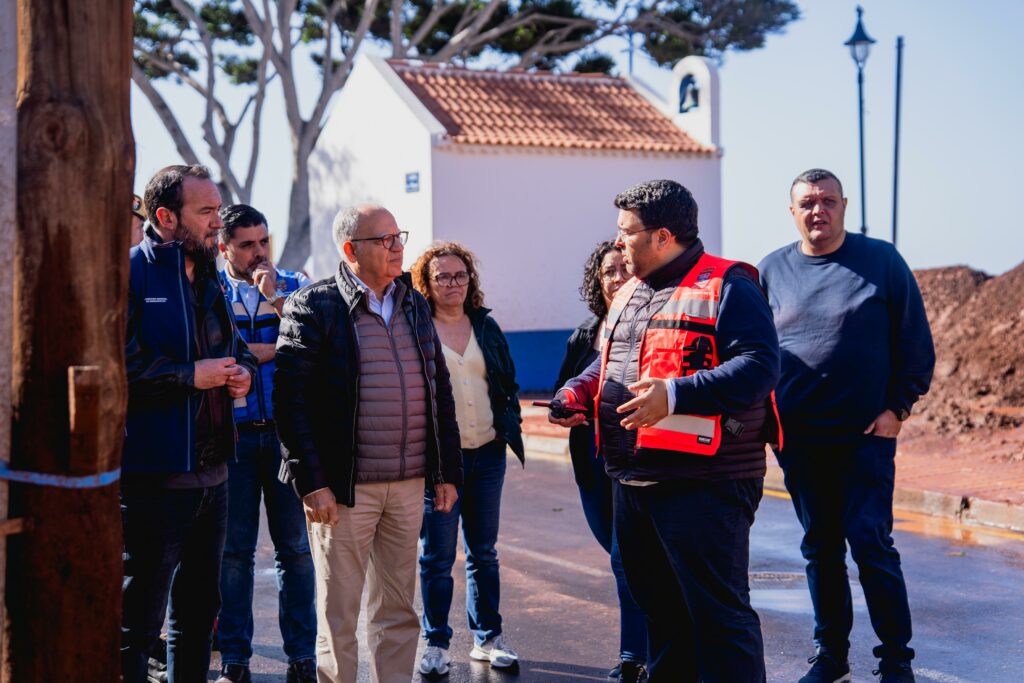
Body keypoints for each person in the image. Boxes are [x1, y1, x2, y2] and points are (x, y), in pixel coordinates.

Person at [549, 179, 780, 683]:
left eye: (626, 232)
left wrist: (673, 396)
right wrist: (576, 391)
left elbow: (760, 366)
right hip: (632, 481)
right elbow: (610, 364)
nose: (618, 243)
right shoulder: (630, 291)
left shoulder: (729, 286)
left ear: (662, 236)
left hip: (706, 485)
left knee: (720, 619)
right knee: (662, 616)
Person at [758, 168, 935, 683]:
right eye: (808, 203)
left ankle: (896, 659)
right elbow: (755, 350)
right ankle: (830, 656)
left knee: (870, 543)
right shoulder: (770, 270)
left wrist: (898, 409)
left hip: (866, 437)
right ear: (792, 212)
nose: (819, 210)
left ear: (844, 205)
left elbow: (915, 342)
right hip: (799, 439)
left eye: (828, 201)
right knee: (820, 547)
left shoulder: (882, 261)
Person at [274, 204, 463, 683]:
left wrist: (445, 470)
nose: (398, 247)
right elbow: (290, 402)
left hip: (407, 484)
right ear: (350, 250)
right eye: (385, 240)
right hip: (342, 490)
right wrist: (311, 482)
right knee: (339, 613)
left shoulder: (414, 302)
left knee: (397, 610)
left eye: (399, 236)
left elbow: (438, 387)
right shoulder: (313, 305)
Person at [123, 164, 257, 682]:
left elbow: (237, 350)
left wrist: (241, 373)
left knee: (199, 616)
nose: (218, 222)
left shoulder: (211, 276)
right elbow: (119, 364)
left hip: (215, 476)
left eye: (217, 210)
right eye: (205, 212)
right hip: (155, 476)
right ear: (165, 216)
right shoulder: (132, 273)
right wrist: (189, 376)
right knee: (137, 622)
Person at [409, 242, 525, 677]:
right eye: (442, 276)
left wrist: (511, 423)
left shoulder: (485, 326)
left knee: (483, 552)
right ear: (426, 283)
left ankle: (488, 637)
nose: (453, 283)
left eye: (460, 275)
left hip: (488, 453)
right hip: (441, 461)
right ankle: (436, 643)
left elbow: (506, 382)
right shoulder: (418, 328)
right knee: (437, 557)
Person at [215, 204, 316, 683]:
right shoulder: (209, 289)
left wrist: (275, 299)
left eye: (263, 242)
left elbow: (313, 341)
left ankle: (302, 657)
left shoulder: (295, 283)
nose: (259, 253)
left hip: (285, 437)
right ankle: (235, 660)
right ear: (224, 248)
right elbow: (214, 352)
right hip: (231, 438)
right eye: (246, 245)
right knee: (233, 553)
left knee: (294, 549)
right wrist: (273, 349)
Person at [554, 240, 648, 683]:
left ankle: (636, 656)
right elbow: (566, 388)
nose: (617, 278)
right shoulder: (583, 335)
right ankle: (647, 651)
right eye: (609, 272)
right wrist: (566, 409)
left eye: (624, 269)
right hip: (592, 465)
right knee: (620, 555)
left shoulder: (651, 324)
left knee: (628, 560)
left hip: (637, 460)